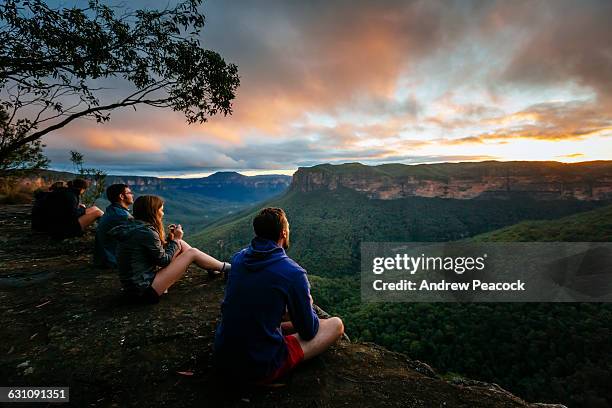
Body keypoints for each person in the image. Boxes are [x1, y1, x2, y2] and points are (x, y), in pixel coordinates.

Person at [213, 207, 344, 384]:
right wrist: (309, 304)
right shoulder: (293, 273)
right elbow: (308, 331)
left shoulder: (238, 259)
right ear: (283, 232)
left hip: (223, 355)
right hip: (259, 366)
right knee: (336, 324)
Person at [109, 195, 230, 303]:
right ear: (153, 212)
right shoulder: (146, 232)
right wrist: (176, 239)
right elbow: (163, 261)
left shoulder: (134, 226)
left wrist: (173, 241)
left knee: (180, 244)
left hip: (134, 285)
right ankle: (230, 268)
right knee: (191, 253)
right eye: (161, 210)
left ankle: (214, 268)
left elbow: (152, 254)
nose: (163, 213)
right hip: (143, 291)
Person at [33, 178, 104, 238]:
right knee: (98, 213)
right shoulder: (71, 196)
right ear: (82, 189)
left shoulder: (63, 192)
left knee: (94, 208)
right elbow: (73, 214)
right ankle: (108, 229)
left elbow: (65, 211)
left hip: (49, 225)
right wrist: (82, 209)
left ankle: (108, 227)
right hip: (60, 230)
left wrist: (81, 209)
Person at [93, 183, 134, 269]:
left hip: (104, 258)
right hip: (111, 261)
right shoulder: (121, 216)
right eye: (129, 193)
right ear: (121, 196)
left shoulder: (112, 210)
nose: (132, 195)